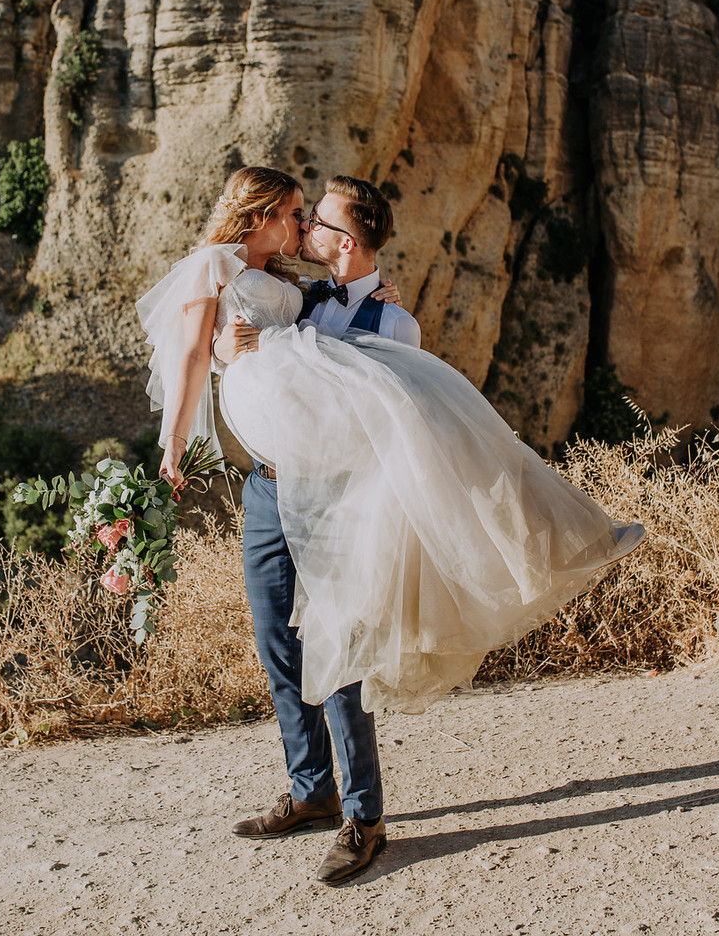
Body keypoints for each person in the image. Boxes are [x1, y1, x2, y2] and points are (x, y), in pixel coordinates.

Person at [137, 167, 641, 884]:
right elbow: (229, 338)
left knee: (337, 643)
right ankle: (312, 789)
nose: (304, 225)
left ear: (344, 240)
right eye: (295, 215)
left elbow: (412, 415)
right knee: (276, 636)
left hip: (343, 498)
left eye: (315, 220)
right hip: (267, 487)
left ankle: (363, 816)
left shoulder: (392, 320)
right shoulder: (302, 292)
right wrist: (222, 355)